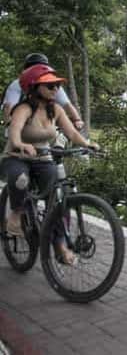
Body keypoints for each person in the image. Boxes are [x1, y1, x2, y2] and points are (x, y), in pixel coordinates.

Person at [1, 64, 99, 265]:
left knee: (57, 201)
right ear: (34, 87)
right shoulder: (24, 108)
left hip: (43, 158)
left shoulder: (56, 110)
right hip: (17, 157)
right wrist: (21, 144)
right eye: (50, 86)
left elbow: (72, 133)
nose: (56, 89)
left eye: (56, 85)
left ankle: (60, 245)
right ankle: (17, 212)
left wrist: (88, 144)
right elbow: (15, 131)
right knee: (20, 179)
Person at [3, 53, 84, 131]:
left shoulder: (52, 84)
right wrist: (10, 123)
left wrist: (77, 119)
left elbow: (66, 104)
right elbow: (9, 106)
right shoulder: (17, 84)